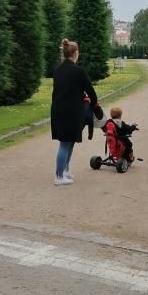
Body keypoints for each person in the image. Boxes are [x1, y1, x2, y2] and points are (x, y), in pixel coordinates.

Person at [51, 38, 98, 185]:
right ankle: (59, 177)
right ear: (75, 53)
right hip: (71, 112)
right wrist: (95, 104)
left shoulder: (58, 70)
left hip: (58, 110)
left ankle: (65, 170)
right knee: (65, 143)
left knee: (69, 141)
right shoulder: (78, 71)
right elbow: (90, 90)